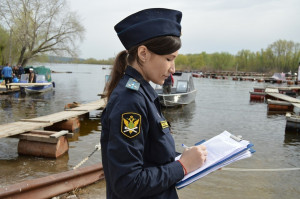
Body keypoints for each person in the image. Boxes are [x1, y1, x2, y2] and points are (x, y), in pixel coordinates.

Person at [100, 8, 207, 199]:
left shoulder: (141, 95)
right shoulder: (130, 102)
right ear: (143, 53)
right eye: (168, 59)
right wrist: (183, 166)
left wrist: (197, 161)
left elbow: (150, 156)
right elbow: (127, 183)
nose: (173, 69)